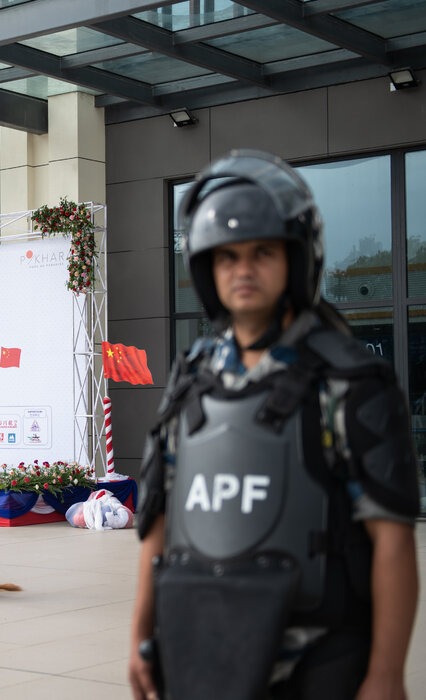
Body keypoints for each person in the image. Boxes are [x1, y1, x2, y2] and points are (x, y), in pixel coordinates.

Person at [128, 151, 420, 700]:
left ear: (296, 258)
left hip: (319, 658)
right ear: (206, 269)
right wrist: (142, 636)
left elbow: (393, 538)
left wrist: (386, 675)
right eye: (227, 256)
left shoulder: (351, 379)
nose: (243, 269)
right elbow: (158, 520)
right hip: (202, 649)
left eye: (263, 252)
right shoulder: (192, 379)